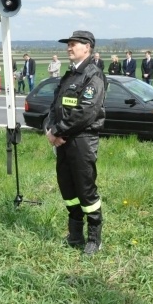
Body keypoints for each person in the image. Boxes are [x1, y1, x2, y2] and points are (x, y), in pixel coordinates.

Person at [45, 30, 107, 256]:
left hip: (82, 139)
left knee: (86, 189)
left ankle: (94, 239)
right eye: (68, 44)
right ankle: (75, 234)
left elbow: (86, 112)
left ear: (87, 47)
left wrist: (58, 130)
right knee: (68, 188)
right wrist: (50, 129)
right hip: (62, 141)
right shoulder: (69, 75)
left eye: (73, 44)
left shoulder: (94, 75)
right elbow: (55, 105)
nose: (69, 48)